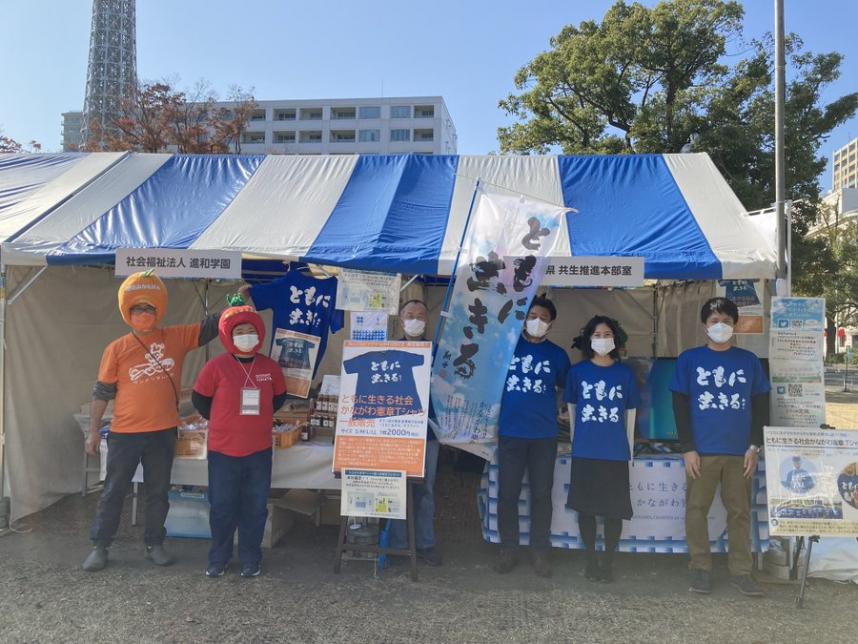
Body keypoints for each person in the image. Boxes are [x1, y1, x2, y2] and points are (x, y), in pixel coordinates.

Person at [82, 271, 221, 572]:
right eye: (137, 308)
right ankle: (100, 545)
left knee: (158, 492)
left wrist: (239, 303)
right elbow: (102, 391)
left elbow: (211, 327)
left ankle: (154, 543)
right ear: (127, 311)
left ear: (159, 310)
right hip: (124, 433)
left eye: (149, 307)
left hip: (163, 431)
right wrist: (93, 431)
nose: (144, 313)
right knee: (114, 491)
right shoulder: (116, 348)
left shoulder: (176, 337)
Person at [671, 297, 770, 597]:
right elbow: (680, 405)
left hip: (740, 453)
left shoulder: (748, 361)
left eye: (726, 321)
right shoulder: (689, 360)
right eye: (714, 321)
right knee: (696, 510)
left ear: (735, 325)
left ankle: (741, 572)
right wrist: (687, 447)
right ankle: (700, 569)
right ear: (704, 326)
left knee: (739, 513)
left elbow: (761, 405)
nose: (720, 326)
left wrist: (755, 446)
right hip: (701, 452)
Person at [192, 306, 288, 578]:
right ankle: (218, 558)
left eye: (250, 331)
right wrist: (224, 419)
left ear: (259, 334)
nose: (246, 336)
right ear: (228, 336)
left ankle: (250, 558)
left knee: (255, 508)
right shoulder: (216, 366)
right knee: (222, 507)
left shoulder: (269, 367)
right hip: (223, 451)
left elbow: (278, 398)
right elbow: (201, 399)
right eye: (239, 332)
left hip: (259, 450)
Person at [494, 295, 571, 578]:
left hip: (544, 435)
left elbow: (568, 388)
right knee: (508, 494)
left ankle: (540, 550)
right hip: (510, 432)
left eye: (543, 318)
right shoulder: (507, 348)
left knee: (541, 494)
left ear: (551, 324)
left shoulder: (558, 355)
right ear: (524, 318)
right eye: (533, 316)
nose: (537, 322)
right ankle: (508, 549)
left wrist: (564, 409)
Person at [566, 316, 640, 583]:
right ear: (589, 339)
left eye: (606, 333)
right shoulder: (577, 373)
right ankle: (590, 560)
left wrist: (628, 451)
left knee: (612, 511)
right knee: (585, 509)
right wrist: (576, 444)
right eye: (596, 334)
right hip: (585, 451)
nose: (602, 339)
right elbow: (572, 413)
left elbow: (630, 415)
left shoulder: (625, 374)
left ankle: (607, 561)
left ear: (615, 338)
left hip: (615, 452)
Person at [387, 299, 442, 566]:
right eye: (410, 315)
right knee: (396, 488)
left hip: (429, 434)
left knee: (425, 490)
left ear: (427, 321)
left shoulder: (439, 353)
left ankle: (425, 544)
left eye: (421, 315)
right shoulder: (389, 350)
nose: (416, 320)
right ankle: (397, 544)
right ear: (401, 319)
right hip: (396, 431)